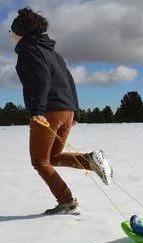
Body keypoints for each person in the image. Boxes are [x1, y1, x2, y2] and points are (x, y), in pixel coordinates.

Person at [10, 7, 113, 215]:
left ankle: (67, 202)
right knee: (54, 156)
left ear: (21, 33)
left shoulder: (29, 50)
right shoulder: (52, 52)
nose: (10, 36)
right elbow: (69, 80)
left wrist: (36, 111)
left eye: (11, 31)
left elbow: (41, 80)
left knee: (40, 161)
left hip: (49, 111)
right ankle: (89, 159)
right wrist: (76, 111)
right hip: (67, 111)